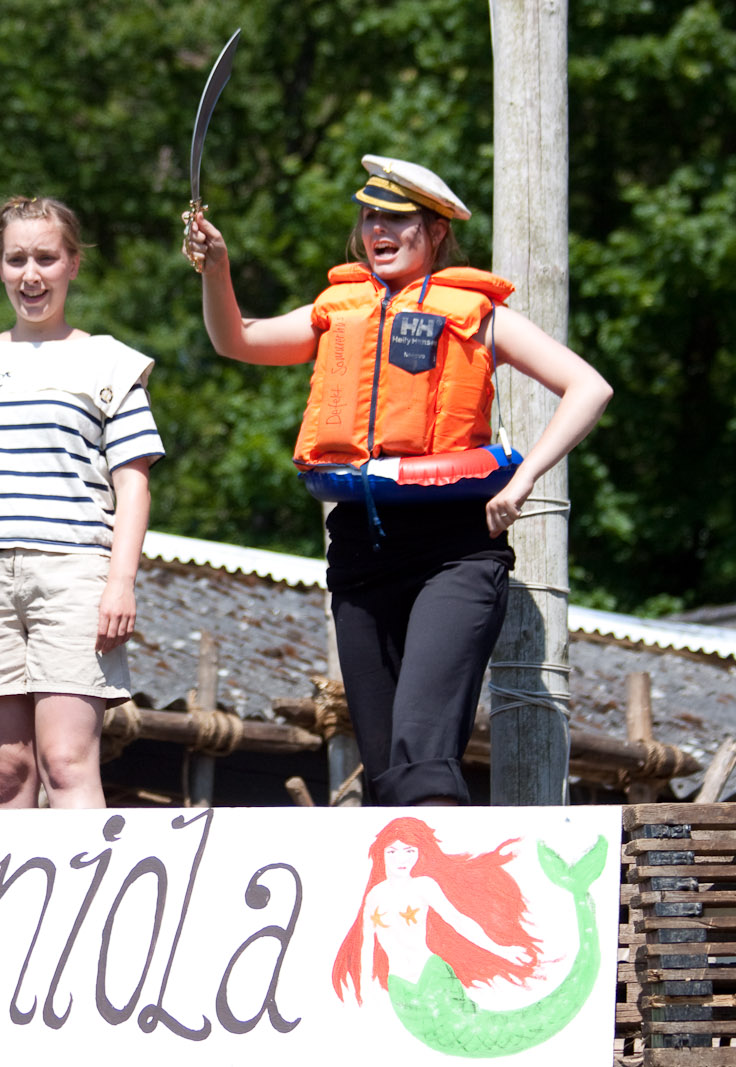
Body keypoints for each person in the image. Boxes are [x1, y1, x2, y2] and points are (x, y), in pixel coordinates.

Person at [186, 154, 612, 807]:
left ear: (436, 231)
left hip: (454, 551)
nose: (377, 230)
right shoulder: (339, 308)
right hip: (360, 552)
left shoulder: (480, 314)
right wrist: (217, 270)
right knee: (386, 771)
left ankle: (442, 864)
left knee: (421, 752)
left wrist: (523, 479)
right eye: (369, 217)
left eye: (396, 218)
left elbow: (589, 387)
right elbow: (236, 339)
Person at [0, 195, 163, 809]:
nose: (31, 274)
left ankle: (86, 876)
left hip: (73, 575)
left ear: (73, 263)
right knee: (7, 774)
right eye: (17, 259)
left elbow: (134, 484)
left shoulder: (109, 362)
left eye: (46, 258)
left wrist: (121, 584)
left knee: (66, 763)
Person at [330, 817, 541, 1007]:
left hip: (432, 975)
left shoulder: (423, 885)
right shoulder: (374, 895)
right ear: (381, 853)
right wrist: (365, 990)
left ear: (419, 852)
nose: (401, 859)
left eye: (409, 851)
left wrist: (501, 950)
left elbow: (458, 921)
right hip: (397, 981)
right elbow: (366, 945)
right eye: (392, 851)